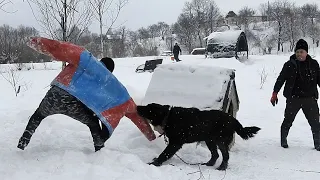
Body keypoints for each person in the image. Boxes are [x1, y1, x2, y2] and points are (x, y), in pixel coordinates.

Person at [17, 37, 156, 152]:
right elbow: (131, 110)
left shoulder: (87, 60)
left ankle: (23, 142)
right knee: (93, 122)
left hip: (54, 95)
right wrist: (150, 136)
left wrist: (36, 42)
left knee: (38, 115)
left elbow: (61, 48)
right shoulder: (110, 81)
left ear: (100, 62)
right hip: (71, 102)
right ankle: (99, 148)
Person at [270, 39, 320, 151]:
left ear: (306, 52)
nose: (299, 54)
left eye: (301, 52)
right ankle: (283, 140)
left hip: (310, 99)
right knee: (288, 120)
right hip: (293, 98)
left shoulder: (314, 64)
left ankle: (318, 144)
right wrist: (275, 93)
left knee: (315, 123)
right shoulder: (289, 65)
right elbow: (280, 79)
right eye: (297, 52)